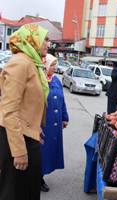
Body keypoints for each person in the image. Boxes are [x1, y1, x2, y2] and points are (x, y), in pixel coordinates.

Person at [0, 24, 49, 200]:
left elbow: (27, 105)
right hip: (17, 139)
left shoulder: (31, 63)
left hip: (28, 135)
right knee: (14, 192)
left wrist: (36, 128)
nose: (48, 44)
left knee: (27, 189)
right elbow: (9, 110)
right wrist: (19, 151)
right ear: (31, 40)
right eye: (45, 39)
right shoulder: (20, 63)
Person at [40, 54, 69, 192]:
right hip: (43, 124)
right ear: (44, 66)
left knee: (51, 151)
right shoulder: (39, 81)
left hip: (55, 123)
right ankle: (38, 177)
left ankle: (41, 174)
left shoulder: (56, 80)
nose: (54, 67)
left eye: (55, 65)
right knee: (42, 151)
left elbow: (62, 100)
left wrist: (65, 117)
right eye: (51, 65)